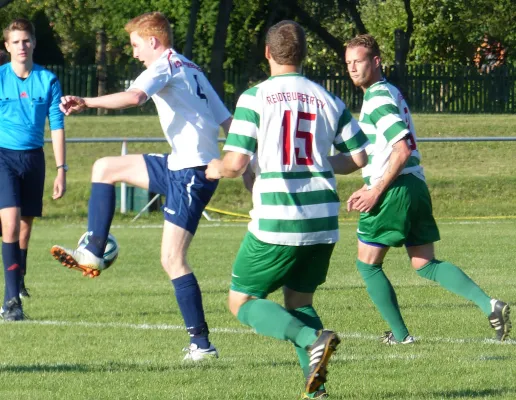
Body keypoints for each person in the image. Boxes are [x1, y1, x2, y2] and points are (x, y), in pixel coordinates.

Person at [50, 12, 232, 360]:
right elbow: (227, 120)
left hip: (193, 173)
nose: (134, 54)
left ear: (153, 41)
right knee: (104, 167)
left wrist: (86, 102)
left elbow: (134, 98)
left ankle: (201, 345)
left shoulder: (163, 66)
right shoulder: (190, 67)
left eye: (136, 45)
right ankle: (93, 250)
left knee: (172, 259)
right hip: (178, 163)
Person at [206, 20, 369, 399]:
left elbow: (233, 164)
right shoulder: (328, 98)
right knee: (299, 302)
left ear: (267, 53)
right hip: (323, 222)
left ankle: (314, 340)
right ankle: (317, 392)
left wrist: (215, 167)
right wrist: (320, 164)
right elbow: (359, 157)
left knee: (241, 300)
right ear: (304, 54)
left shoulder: (254, 97)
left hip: (279, 220)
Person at [341, 34, 511, 344]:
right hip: (415, 185)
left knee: (367, 264)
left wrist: (375, 191)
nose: (353, 68)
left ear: (376, 61)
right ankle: (490, 305)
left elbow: (402, 148)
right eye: (349, 62)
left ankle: (402, 336)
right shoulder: (390, 92)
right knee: (424, 263)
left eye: (359, 61)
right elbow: (376, 153)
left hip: (393, 188)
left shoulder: (377, 99)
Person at [0, 18, 67, 321]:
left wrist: (61, 169)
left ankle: (17, 281)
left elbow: (57, 125)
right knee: (11, 223)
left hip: (34, 158)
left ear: (34, 43)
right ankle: (12, 302)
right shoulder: (0, 78)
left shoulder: (48, 80)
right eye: (16, 41)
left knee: (25, 226)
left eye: (26, 40)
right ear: (7, 46)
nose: (22, 46)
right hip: (3, 157)